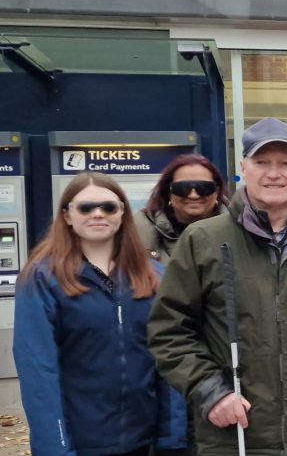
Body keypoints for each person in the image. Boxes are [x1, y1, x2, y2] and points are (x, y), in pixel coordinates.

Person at [148, 118, 287, 455]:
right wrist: (211, 392)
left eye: (285, 163)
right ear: (243, 168)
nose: (274, 173)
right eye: (261, 162)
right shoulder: (204, 240)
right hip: (236, 437)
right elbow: (170, 331)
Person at [15, 172, 187, 456]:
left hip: (144, 441)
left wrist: (172, 438)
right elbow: (38, 373)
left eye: (108, 207)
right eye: (85, 207)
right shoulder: (42, 279)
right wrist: (54, 449)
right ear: (67, 215)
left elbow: (169, 360)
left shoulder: (155, 276)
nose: (98, 214)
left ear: (122, 214)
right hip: (78, 444)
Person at [135, 154, 229, 263]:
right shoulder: (138, 232)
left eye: (204, 187)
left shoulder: (239, 229)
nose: (193, 195)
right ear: (168, 193)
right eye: (182, 188)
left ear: (216, 192)